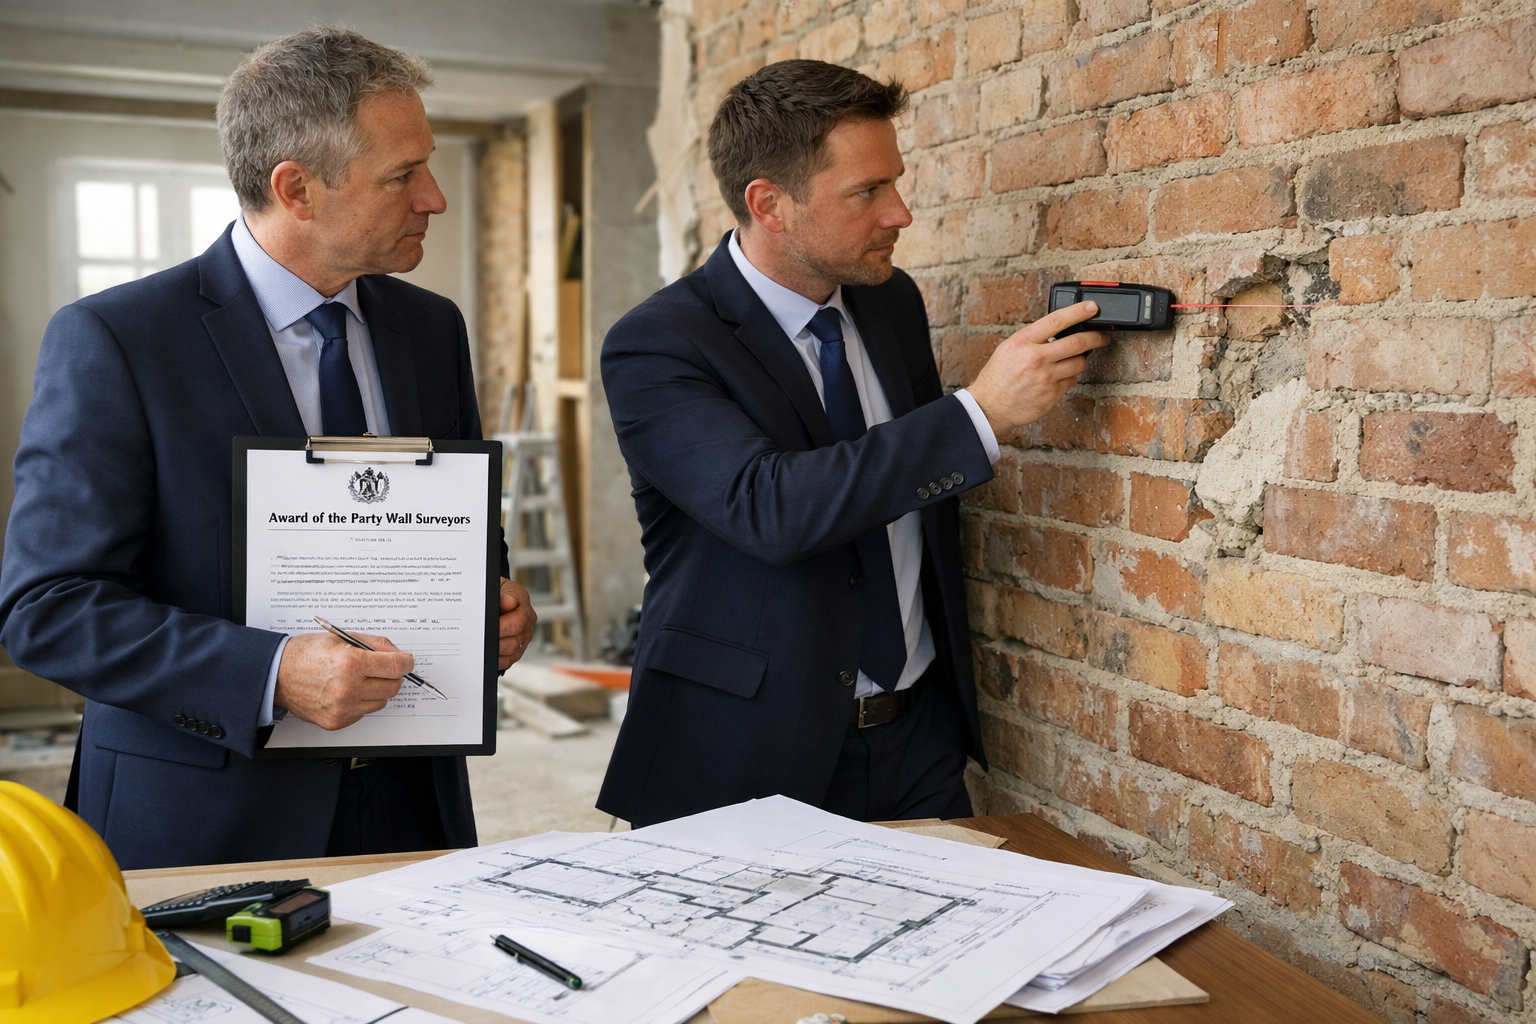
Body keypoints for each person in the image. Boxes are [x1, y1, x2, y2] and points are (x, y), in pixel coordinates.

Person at [0, 28, 536, 869]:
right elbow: (49, 609)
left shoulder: (432, 329)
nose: (433, 197)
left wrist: (490, 608)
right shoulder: (117, 339)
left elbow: (465, 536)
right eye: (403, 175)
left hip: (413, 806)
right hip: (206, 819)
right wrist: (271, 672)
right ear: (297, 188)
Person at [596, 59, 1108, 828]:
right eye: (867, 192)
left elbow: (904, 497)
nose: (899, 213)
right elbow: (769, 507)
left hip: (919, 741)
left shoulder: (890, 301)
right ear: (769, 204)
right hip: (742, 756)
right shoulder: (659, 343)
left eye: (895, 182)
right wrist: (980, 415)